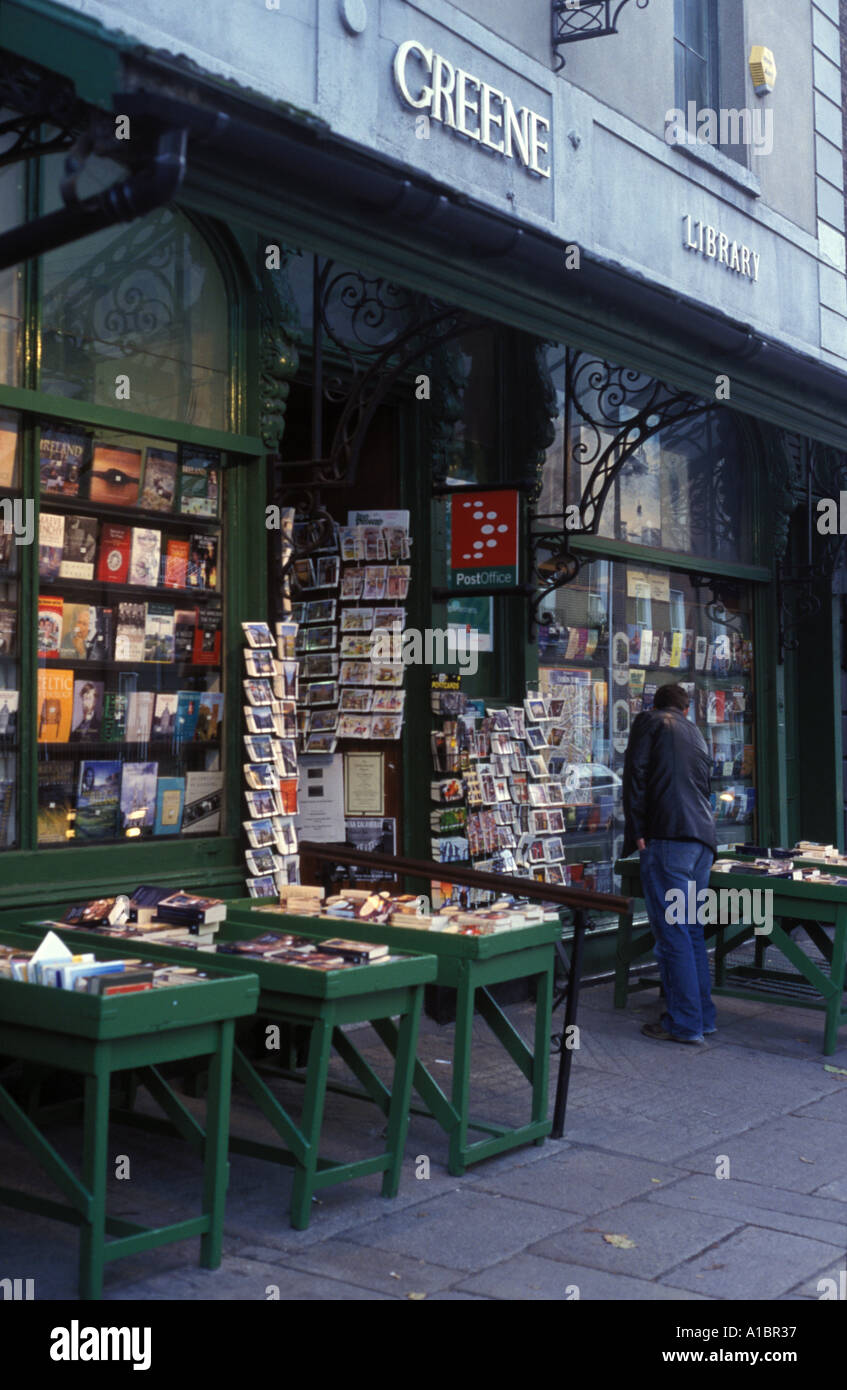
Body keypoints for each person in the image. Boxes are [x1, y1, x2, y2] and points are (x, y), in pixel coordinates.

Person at [622, 682, 717, 1046]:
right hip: (701, 841)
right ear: (687, 709)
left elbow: (636, 774)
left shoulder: (649, 721)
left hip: (669, 838)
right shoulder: (695, 733)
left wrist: (637, 829)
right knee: (691, 931)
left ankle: (685, 1022)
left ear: (655, 704)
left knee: (674, 933)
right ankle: (702, 1017)